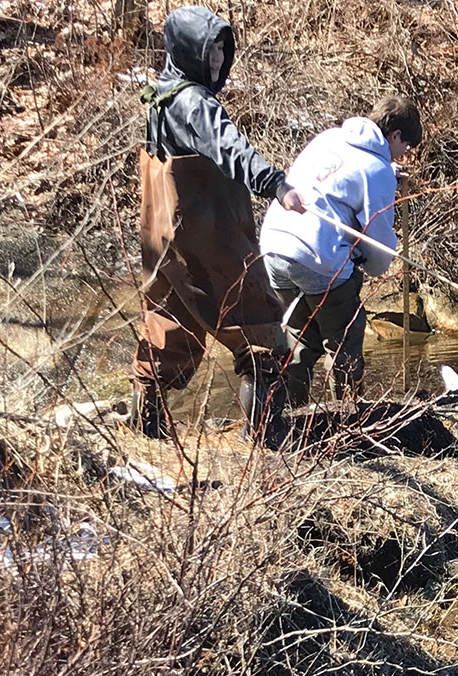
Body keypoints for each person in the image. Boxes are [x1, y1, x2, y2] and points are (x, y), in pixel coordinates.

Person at [132, 5, 306, 447]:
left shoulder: (162, 95)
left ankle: (142, 434)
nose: (215, 60)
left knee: (169, 330)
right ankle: (265, 446)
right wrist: (275, 184)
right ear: (188, 50)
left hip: (164, 240)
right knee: (262, 337)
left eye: (221, 51)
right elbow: (231, 148)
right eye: (209, 50)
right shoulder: (195, 103)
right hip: (208, 239)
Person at [258, 96, 421, 405]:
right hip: (317, 254)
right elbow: (378, 240)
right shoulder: (378, 169)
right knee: (344, 335)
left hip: (274, 245)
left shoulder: (330, 137)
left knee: (300, 336)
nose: (403, 155)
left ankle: (289, 416)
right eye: (406, 147)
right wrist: (376, 267)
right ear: (396, 135)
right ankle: (346, 419)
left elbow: (338, 183)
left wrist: (389, 175)